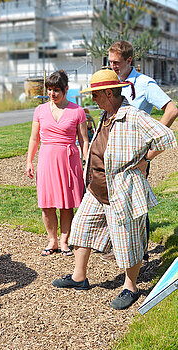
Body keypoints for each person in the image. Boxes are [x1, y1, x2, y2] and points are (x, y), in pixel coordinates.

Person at [51, 69, 177, 310]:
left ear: (109, 93)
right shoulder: (105, 114)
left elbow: (164, 136)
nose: (93, 100)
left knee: (128, 240)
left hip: (121, 191)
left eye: (96, 95)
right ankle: (79, 277)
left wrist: (145, 159)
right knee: (81, 229)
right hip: (96, 190)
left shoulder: (133, 116)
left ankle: (130, 287)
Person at [106, 40, 178, 261]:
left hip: (135, 156)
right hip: (114, 154)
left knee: (136, 203)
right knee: (116, 199)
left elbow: (172, 110)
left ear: (129, 60)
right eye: (110, 62)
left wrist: (148, 154)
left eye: (116, 63)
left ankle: (139, 253)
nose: (112, 67)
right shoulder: (112, 81)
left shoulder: (145, 84)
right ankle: (120, 246)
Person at [26, 70, 89, 256]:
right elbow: (33, 139)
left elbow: (84, 140)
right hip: (46, 160)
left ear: (66, 89)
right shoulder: (40, 110)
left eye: (56, 90)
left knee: (66, 204)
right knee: (46, 203)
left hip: (68, 161)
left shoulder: (77, 111)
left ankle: (64, 241)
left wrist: (87, 162)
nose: (52, 94)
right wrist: (29, 160)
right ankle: (52, 240)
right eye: (50, 90)